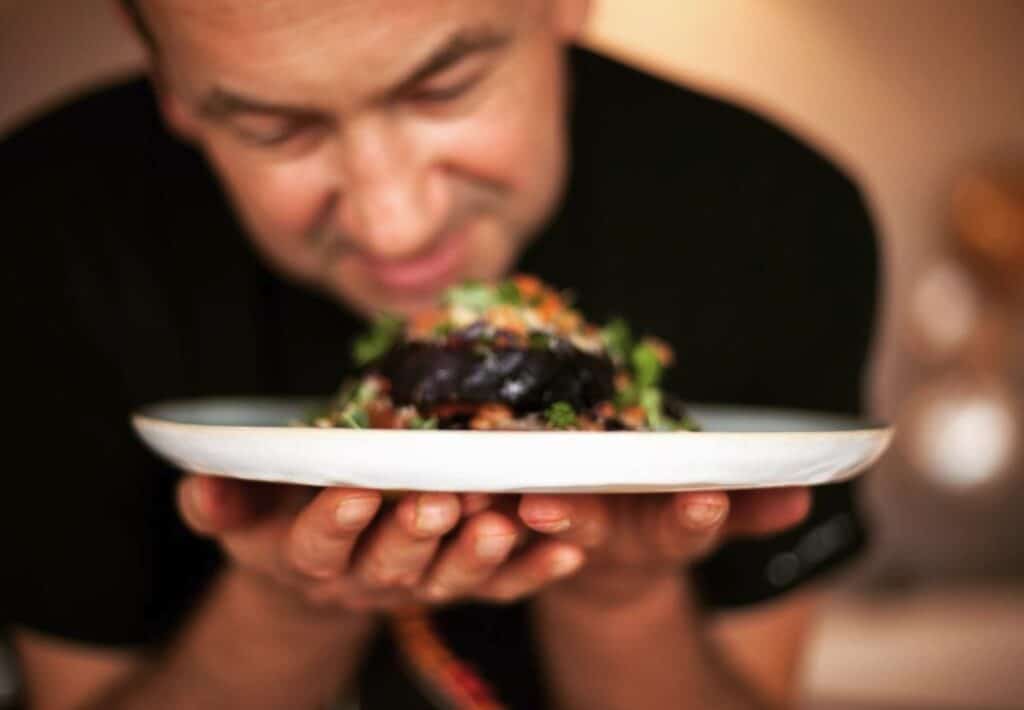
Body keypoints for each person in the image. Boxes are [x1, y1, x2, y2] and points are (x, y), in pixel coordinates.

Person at [0, 1, 878, 708]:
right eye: (275, 129)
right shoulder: (37, 234)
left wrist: (624, 598)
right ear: (171, 83)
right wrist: (288, 603)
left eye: (444, 88)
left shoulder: (780, 220)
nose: (396, 224)